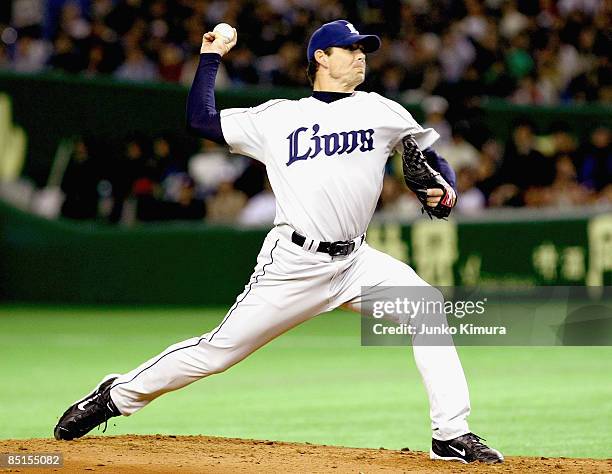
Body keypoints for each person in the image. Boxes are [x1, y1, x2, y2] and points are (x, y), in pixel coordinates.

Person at [54, 20, 503, 464]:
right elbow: (200, 120)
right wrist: (210, 58)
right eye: (350, 48)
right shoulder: (277, 117)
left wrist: (445, 187)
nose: (361, 55)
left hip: (356, 262)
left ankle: (451, 434)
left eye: (364, 48)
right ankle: (116, 395)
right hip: (294, 263)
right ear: (320, 58)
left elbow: (429, 159)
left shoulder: (382, 111)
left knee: (425, 308)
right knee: (216, 353)